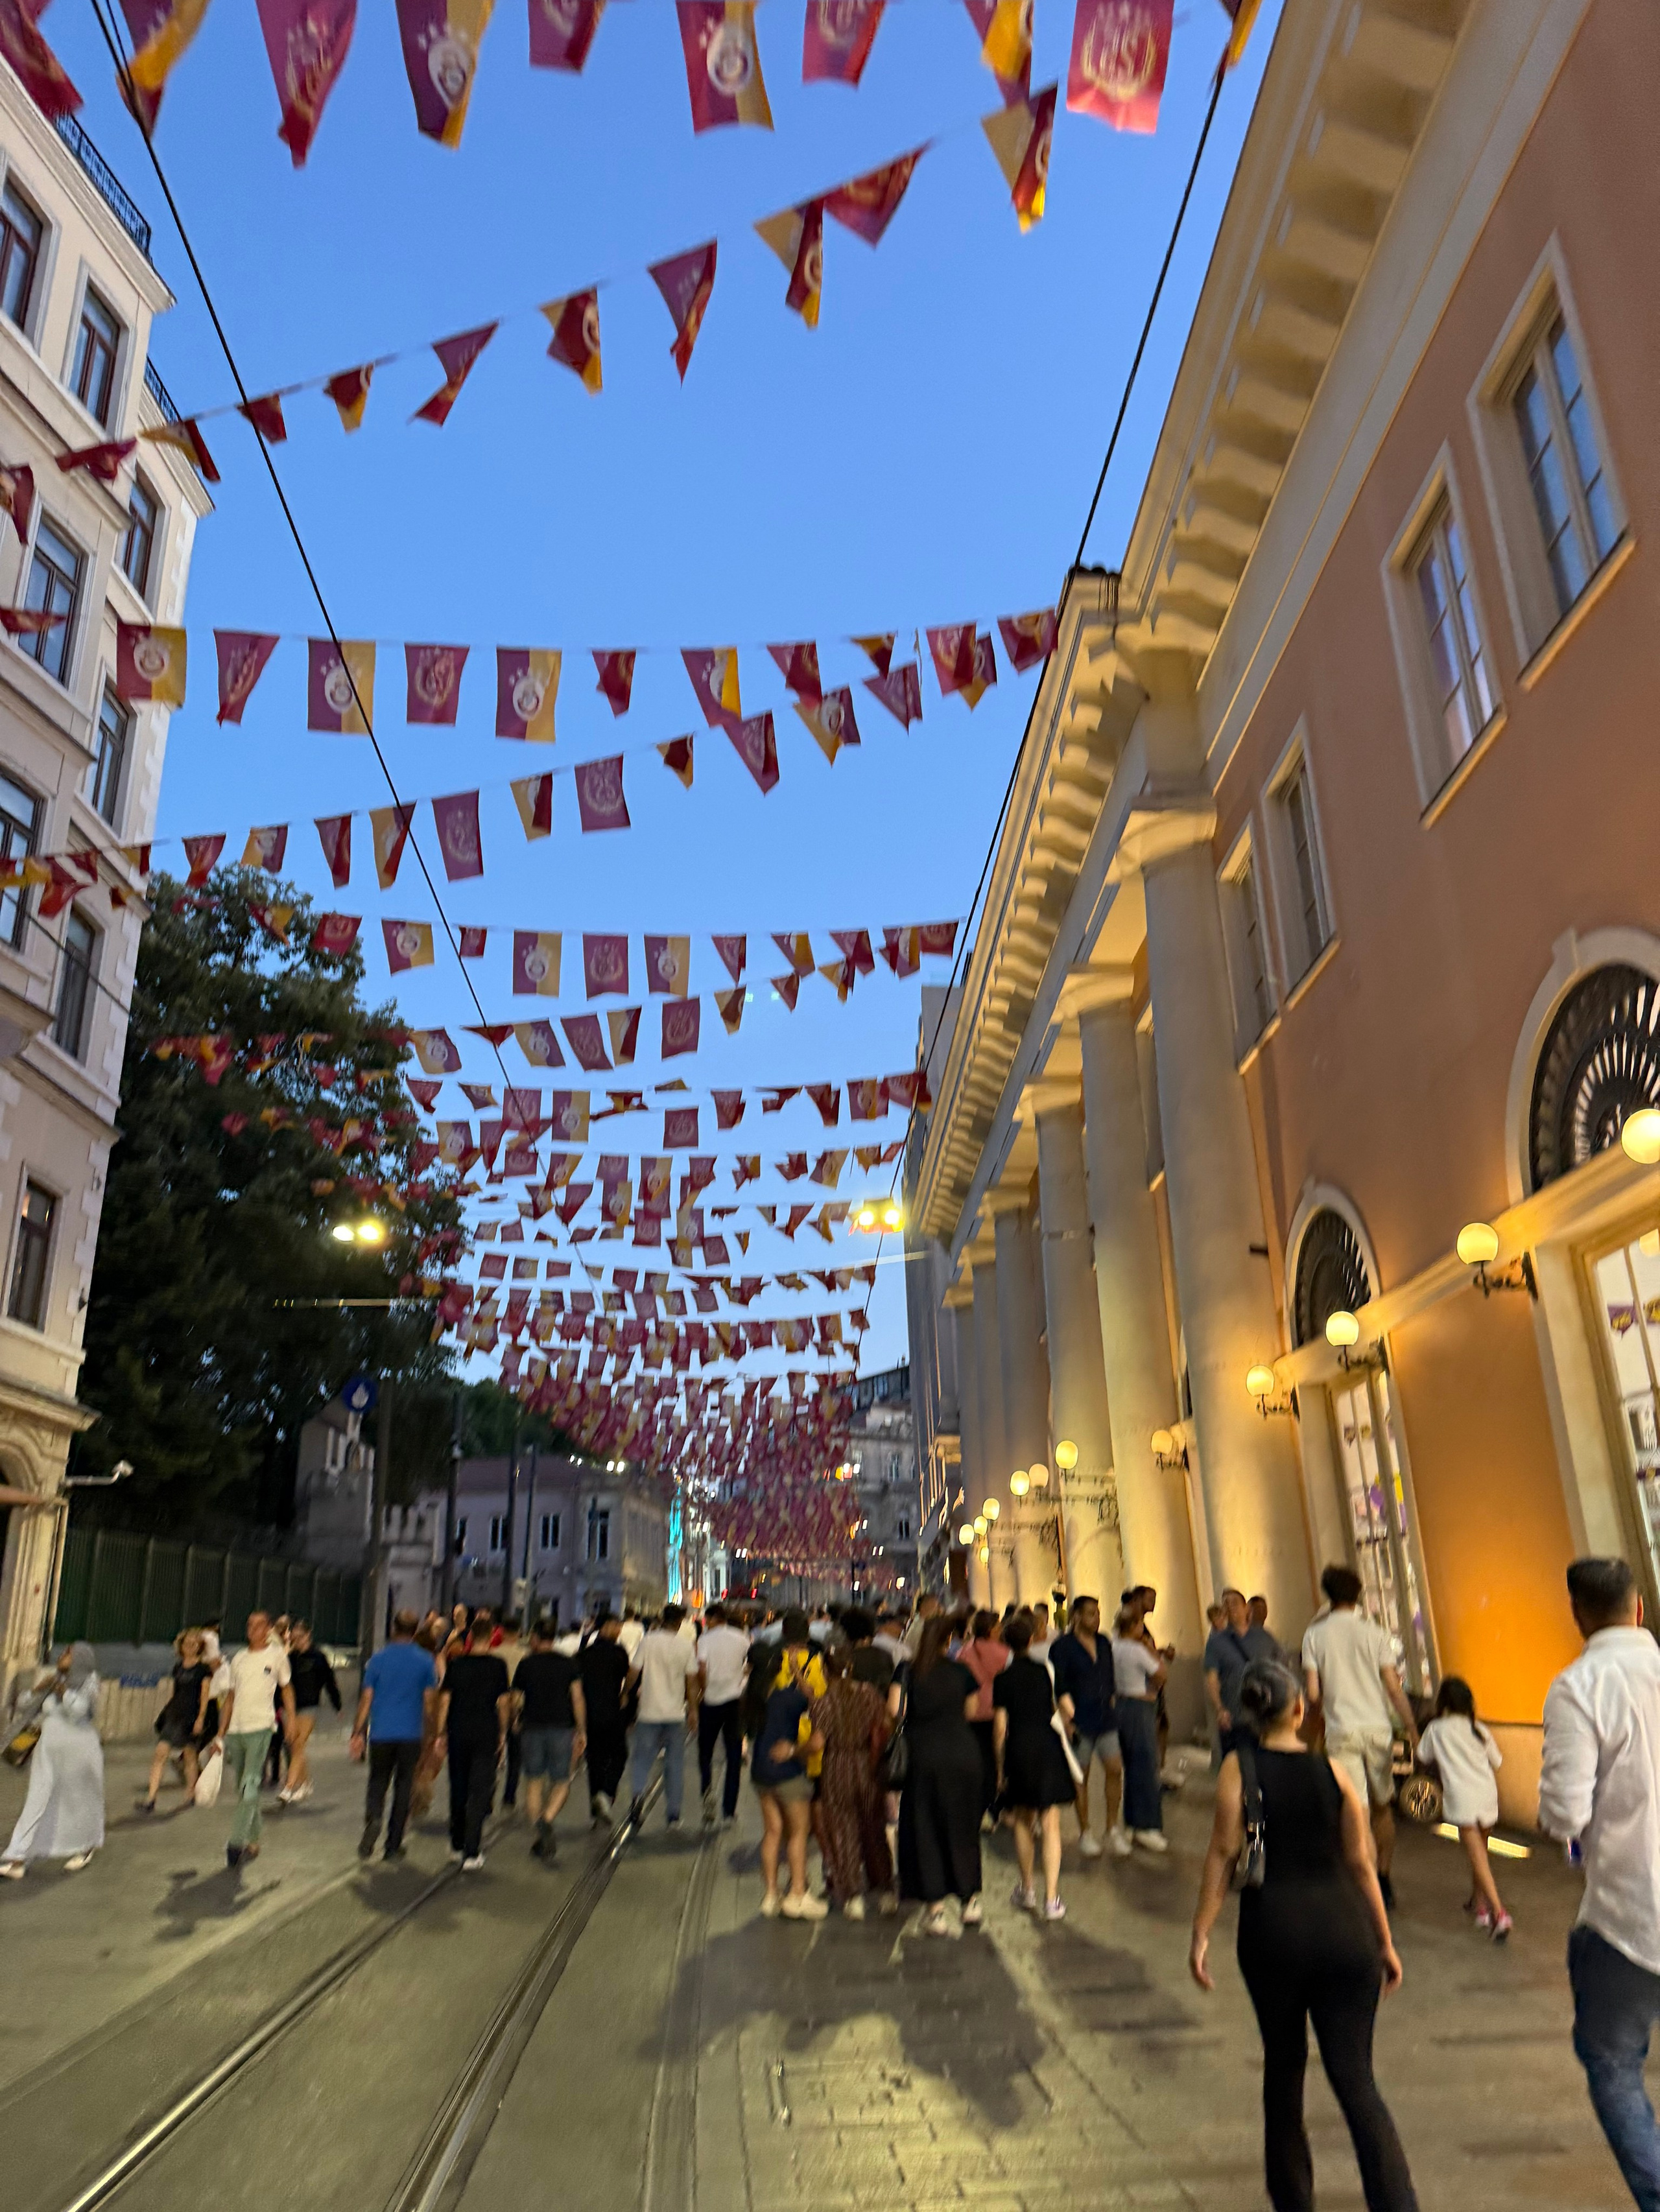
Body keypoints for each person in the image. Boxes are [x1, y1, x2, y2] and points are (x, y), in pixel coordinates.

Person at [1191, 1658, 1416, 2212]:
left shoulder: (1238, 1771)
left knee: (1285, 2068)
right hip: (1345, 1934)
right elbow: (1362, 1865)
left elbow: (1223, 1854)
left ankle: (1293, 2200)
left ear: (1250, 1712)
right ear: (1300, 1708)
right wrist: (1384, 1941)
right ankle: (1397, 2204)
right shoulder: (1336, 1773)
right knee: (1356, 2080)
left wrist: (1201, 1933)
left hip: (1274, 1935)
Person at [1539, 1556, 1660, 2210]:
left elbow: (1565, 1812)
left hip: (1629, 1916)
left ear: (1577, 1613)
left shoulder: (1579, 1686)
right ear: (1637, 1607)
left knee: (1612, 2064)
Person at [1301, 1566, 1418, 1905]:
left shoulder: (1315, 1636)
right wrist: (1411, 1729)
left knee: (1356, 1810)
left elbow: (1311, 1694)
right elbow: (1394, 1689)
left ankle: (1363, 1885)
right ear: (1359, 1594)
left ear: (1328, 1594)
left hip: (1342, 1730)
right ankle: (1383, 1878)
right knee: (1383, 1808)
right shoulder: (1375, 1633)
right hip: (1378, 1729)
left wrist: (1326, 1712)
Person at [894, 1613, 983, 1935]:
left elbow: (896, 1712)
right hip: (963, 1753)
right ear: (949, 1641)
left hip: (924, 1756)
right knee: (963, 1826)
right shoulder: (961, 1671)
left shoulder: (908, 1671)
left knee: (926, 1828)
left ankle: (936, 1911)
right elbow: (971, 1712)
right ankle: (970, 1901)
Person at [0, 1643, 104, 1877]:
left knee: (79, 1803)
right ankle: (16, 1858)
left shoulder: (90, 1681)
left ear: (80, 1659)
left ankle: (86, 1846)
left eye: (68, 1653)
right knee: (37, 1800)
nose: (62, 1656)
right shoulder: (53, 1678)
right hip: (48, 1750)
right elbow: (26, 1706)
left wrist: (62, 1690)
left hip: (79, 1752)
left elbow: (81, 1712)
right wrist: (39, 1689)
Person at [993, 1613, 1072, 1920]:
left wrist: (1000, 1766)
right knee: (1051, 1823)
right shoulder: (1047, 1672)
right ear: (1031, 1640)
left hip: (1020, 1750)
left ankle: (1027, 1890)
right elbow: (1066, 1708)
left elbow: (1000, 1728)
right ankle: (1052, 1900)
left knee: (1024, 1820)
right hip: (1048, 1747)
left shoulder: (1003, 1679)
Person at [1416, 1676, 1507, 1937]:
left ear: (1443, 1702)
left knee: (1478, 1859)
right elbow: (1497, 1762)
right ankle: (1478, 1905)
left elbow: (1422, 1756)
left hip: (1463, 1799)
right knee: (1481, 1857)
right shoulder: (1478, 1728)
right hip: (1487, 1796)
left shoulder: (1437, 1729)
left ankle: (1499, 1914)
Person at [809, 1641, 893, 1917]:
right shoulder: (869, 1694)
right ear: (851, 1667)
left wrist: (793, 1751)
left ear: (825, 1670)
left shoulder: (825, 1702)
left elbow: (818, 1742)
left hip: (836, 1765)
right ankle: (884, 1891)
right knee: (873, 1827)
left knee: (843, 1829)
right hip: (867, 1764)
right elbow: (886, 1725)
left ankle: (853, 1896)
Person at [750, 1619, 827, 1920]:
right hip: (790, 1764)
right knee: (799, 1833)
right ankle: (798, 1893)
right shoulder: (791, 1697)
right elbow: (816, 1701)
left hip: (761, 1768)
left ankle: (771, 1895)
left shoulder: (757, 1692)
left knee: (773, 1832)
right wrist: (800, 1671)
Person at [351, 1608, 439, 1862]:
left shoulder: (378, 1660)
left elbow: (366, 1699)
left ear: (393, 1628)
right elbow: (429, 1703)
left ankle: (374, 1818)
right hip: (411, 1735)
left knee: (377, 1781)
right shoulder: (425, 1661)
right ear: (415, 1631)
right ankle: (393, 1844)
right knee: (403, 1787)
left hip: (380, 1734)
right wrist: (432, 1732)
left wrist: (357, 1731)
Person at [215, 1612, 294, 1871]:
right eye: (249, 1624)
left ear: (269, 1629)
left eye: (259, 1625)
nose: (253, 1629)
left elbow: (287, 1688)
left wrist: (291, 1720)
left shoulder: (277, 1656)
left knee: (250, 1785)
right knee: (244, 1789)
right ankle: (255, 1837)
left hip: (261, 1728)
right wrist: (220, 1733)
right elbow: (230, 1697)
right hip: (236, 1731)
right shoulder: (238, 1659)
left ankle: (235, 1843)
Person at [1050, 1595, 1128, 1857]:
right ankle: (1085, 1831)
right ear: (1077, 1616)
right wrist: (1066, 1719)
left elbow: (1109, 1674)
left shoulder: (1104, 1642)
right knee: (1081, 1776)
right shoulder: (1062, 1647)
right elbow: (1059, 1685)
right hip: (1079, 1719)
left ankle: (1112, 1828)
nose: (1096, 1619)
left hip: (1106, 1716)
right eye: (1091, 1614)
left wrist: (1113, 1699)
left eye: (1098, 1613)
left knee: (1115, 1769)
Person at [437, 1617, 510, 1869]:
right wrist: (502, 1733)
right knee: (479, 1791)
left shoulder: (456, 1665)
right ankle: (472, 1851)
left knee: (458, 1788)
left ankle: (456, 1844)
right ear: (490, 1637)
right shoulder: (498, 1666)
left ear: (469, 1639)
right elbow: (502, 1703)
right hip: (485, 1732)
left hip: (458, 1730)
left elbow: (445, 1702)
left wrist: (440, 1733)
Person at [513, 1619, 586, 1859]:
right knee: (562, 1781)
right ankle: (547, 1819)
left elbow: (515, 1699)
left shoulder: (526, 1664)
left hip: (532, 1727)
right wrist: (582, 1729)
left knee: (534, 1782)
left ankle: (539, 1832)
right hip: (562, 1728)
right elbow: (577, 1698)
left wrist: (516, 1719)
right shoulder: (568, 1664)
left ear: (535, 1637)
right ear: (554, 1637)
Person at [629, 1601, 700, 1830]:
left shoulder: (648, 1642)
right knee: (674, 1764)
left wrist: (625, 1693)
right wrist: (693, 1711)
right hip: (674, 1714)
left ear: (662, 1619)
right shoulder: (686, 1646)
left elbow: (634, 1672)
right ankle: (673, 1816)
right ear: (679, 1623)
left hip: (648, 1711)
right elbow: (691, 1682)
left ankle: (638, 1795)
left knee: (642, 1759)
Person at [1112, 1595, 1167, 1851]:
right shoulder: (1135, 1649)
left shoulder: (1112, 1647)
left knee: (1131, 1766)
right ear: (1134, 1627)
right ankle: (1147, 1826)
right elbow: (1160, 1674)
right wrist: (1152, 1651)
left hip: (1120, 1706)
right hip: (1139, 1708)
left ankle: (1132, 1823)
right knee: (1145, 1765)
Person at [141, 1628, 213, 1811]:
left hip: (191, 1715)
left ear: (200, 1647)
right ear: (181, 1646)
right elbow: (175, 1692)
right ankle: (151, 1798)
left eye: (194, 1644)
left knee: (190, 1756)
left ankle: (190, 1793)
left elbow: (204, 1696)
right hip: (175, 1714)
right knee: (160, 1752)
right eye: (187, 1643)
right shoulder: (178, 1668)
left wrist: (201, 1718)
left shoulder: (203, 1670)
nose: (190, 1646)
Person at [1205, 1588, 1281, 1758]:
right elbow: (1212, 1679)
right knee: (1236, 1769)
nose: (1230, 1607)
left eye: (1235, 1603)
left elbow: (1280, 1672)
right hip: (1234, 1717)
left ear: (1247, 1608)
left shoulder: (1265, 1638)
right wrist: (1219, 1709)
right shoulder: (1216, 1642)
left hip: (1262, 1716)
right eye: (1226, 1604)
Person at [696, 1601, 749, 1828]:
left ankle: (707, 1789)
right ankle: (729, 1809)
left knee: (705, 1752)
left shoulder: (705, 1640)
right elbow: (750, 1665)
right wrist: (739, 1679)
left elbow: (701, 1669)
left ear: (714, 1619)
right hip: (735, 1702)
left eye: (707, 1620)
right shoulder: (742, 1639)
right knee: (734, 1756)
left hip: (711, 1701)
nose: (706, 1624)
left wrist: (703, 1689)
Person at [279, 1621, 340, 1805]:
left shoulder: (318, 1657)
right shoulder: (290, 1658)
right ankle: (305, 1783)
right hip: (291, 1707)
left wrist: (337, 1705)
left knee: (299, 1744)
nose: (296, 1640)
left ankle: (288, 1788)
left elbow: (329, 1682)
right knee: (293, 1745)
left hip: (310, 1706)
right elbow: (282, 1683)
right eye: (293, 1637)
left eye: (299, 1637)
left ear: (308, 1636)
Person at [580, 1612, 631, 1822]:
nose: (619, 1630)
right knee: (620, 1755)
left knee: (595, 1759)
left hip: (590, 1713)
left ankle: (596, 1803)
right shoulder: (619, 1653)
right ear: (607, 1626)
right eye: (617, 1626)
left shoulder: (585, 1654)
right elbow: (627, 1681)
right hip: (612, 1712)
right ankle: (606, 1792)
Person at [960, 1610, 1010, 1822]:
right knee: (997, 1760)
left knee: (979, 1761)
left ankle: (979, 1806)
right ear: (991, 1630)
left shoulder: (964, 1653)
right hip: (997, 1713)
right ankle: (996, 1805)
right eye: (997, 1626)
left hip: (971, 1714)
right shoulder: (1004, 1653)